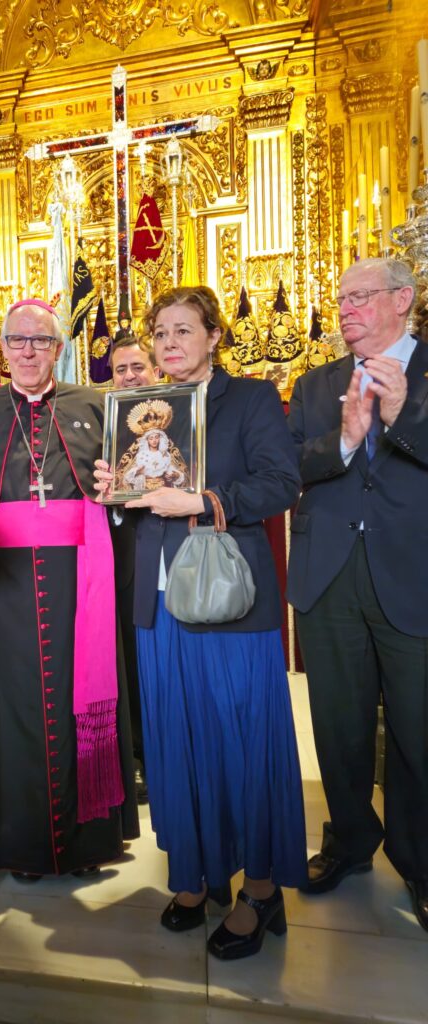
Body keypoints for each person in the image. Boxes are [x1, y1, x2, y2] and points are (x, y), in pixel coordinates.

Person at [96, 285, 305, 960]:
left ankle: (262, 889)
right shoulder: (143, 410)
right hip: (158, 605)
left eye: (184, 330)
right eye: (160, 332)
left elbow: (281, 483)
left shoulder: (251, 399)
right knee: (175, 744)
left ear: (214, 336)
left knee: (243, 742)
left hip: (227, 601)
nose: (169, 343)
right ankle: (194, 874)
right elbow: (138, 499)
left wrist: (203, 501)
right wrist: (117, 492)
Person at [0, 297, 139, 880]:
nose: (28, 352)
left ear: (58, 349)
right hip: (4, 583)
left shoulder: (94, 405)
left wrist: (115, 498)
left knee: (83, 699)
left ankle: (88, 839)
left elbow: (130, 491)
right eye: (17, 341)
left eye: (41, 341)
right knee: (16, 707)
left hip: (83, 580)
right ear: (2, 348)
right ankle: (23, 844)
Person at [287, 257, 428, 932]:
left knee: (417, 730)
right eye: (341, 299)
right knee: (338, 724)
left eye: (360, 297)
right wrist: (343, 441)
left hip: (414, 574)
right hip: (329, 576)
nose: (345, 309)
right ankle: (348, 839)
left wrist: (402, 417)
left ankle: (420, 860)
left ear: (403, 299)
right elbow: (285, 465)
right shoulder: (314, 384)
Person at [108, 337, 160, 805]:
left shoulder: (182, 416)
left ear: (157, 370)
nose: (129, 376)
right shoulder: (105, 422)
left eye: (137, 366)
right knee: (131, 663)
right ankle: (138, 757)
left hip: (176, 560)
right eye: (120, 369)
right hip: (123, 561)